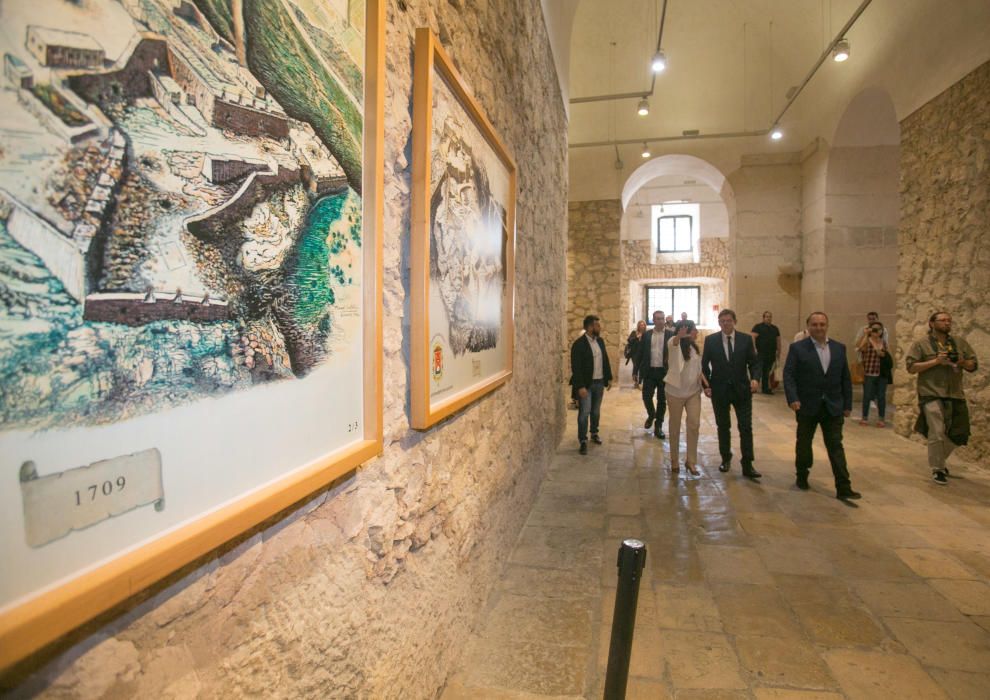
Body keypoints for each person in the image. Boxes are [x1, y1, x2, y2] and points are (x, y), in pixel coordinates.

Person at [783, 312, 861, 500]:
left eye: (822, 324)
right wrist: (793, 398)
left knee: (835, 446)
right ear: (808, 327)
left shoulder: (839, 348)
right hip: (807, 405)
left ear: (827, 326)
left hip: (833, 406)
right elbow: (789, 375)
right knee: (804, 444)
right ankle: (802, 475)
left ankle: (844, 487)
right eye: (815, 324)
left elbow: (845, 379)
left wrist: (847, 404)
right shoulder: (798, 348)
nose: (819, 328)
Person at [906, 311, 978, 485]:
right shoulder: (921, 344)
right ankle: (937, 469)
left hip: (955, 393)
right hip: (931, 393)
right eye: (943, 320)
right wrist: (936, 361)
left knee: (960, 433)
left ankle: (938, 459)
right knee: (937, 432)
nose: (947, 323)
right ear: (932, 323)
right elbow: (911, 367)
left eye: (949, 320)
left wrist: (961, 362)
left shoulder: (959, 343)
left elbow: (973, 365)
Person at [701, 309, 762, 478]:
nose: (726, 323)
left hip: (742, 390)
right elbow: (704, 366)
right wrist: (706, 385)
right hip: (720, 390)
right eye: (722, 321)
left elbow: (755, 363)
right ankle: (725, 458)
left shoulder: (745, 340)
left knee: (745, 426)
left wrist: (755, 378)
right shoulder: (711, 340)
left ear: (735, 321)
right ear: (719, 323)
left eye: (728, 320)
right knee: (723, 426)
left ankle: (747, 463)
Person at [665, 320, 706, 476]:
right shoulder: (673, 343)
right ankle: (674, 460)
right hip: (675, 392)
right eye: (694, 329)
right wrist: (678, 337)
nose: (697, 332)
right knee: (675, 427)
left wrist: (704, 383)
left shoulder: (695, 348)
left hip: (693, 393)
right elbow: (673, 343)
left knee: (694, 424)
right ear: (687, 331)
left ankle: (691, 461)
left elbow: (698, 369)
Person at [570, 315, 613, 455]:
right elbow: (576, 368)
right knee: (584, 413)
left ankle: (594, 432)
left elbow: (605, 360)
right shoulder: (579, 345)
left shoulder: (600, 341)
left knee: (596, 411)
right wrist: (580, 386)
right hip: (586, 385)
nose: (599, 328)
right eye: (597, 325)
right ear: (590, 327)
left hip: (599, 382)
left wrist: (609, 378)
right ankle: (583, 440)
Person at [637, 310, 674, 439]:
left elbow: (675, 355)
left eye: (662, 318)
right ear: (653, 320)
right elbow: (640, 354)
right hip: (649, 371)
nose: (660, 321)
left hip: (664, 372)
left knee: (662, 400)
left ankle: (658, 426)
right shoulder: (646, 335)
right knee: (646, 396)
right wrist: (636, 371)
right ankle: (652, 414)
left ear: (665, 320)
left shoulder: (671, 335)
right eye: (657, 318)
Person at [857, 320, 891, 427]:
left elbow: (889, 356)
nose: (876, 331)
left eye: (878, 329)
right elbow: (860, 348)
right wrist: (866, 335)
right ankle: (864, 417)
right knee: (867, 396)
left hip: (881, 373)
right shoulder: (867, 341)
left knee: (881, 396)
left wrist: (883, 354)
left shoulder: (884, 342)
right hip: (869, 372)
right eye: (874, 329)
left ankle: (881, 418)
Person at [751, 311, 782, 394]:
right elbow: (752, 337)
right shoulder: (758, 327)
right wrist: (754, 349)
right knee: (758, 371)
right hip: (760, 353)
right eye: (767, 316)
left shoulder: (775, 328)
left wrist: (779, 351)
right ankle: (754, 387)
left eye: (770, 317)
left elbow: (778, 340)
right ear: (763, 318)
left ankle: (765, 389)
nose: (769, 318)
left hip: (771, 354)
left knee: (766, 372)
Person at [625, 320, 647, 389]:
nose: (642, 326)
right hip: (635, 353)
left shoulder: (646, 334)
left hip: (643, 353)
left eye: (643, 325)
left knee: (642, 367)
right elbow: (629, 340)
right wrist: (637, 337)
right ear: (638, 326)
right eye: (641, 325)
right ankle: (636, 382)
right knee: (636, 367)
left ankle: (640, 382)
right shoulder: (634, 333)